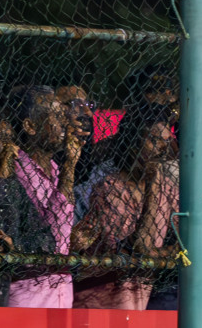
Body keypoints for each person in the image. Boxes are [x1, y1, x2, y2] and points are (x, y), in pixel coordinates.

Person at [70, 108, 178, 310]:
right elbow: (137, 248)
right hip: (99, 299)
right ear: (133, 143)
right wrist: (153, 187)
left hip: (138, 298)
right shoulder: (109, 189)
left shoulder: (169, 189)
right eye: (155, 140)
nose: (163, 148)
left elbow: (188, 241)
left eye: (167, 141)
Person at [0, 86, 78, 308]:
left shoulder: (55, 169)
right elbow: (53, 236)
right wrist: (70, 165)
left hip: (61, 293)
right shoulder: (16, 169)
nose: (65, 123)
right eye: (56, 116)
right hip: (29, 296)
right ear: (30, 126)